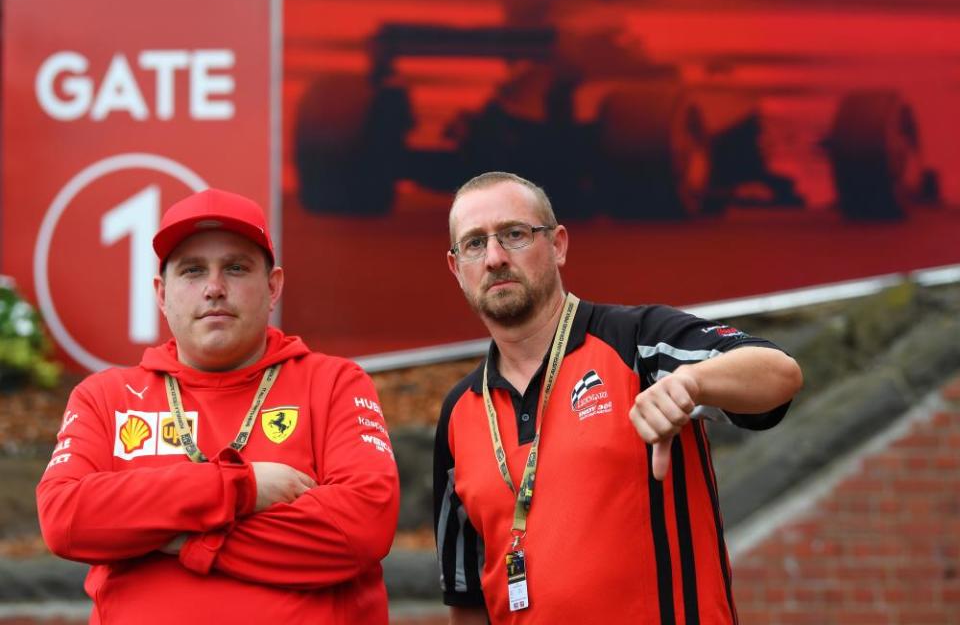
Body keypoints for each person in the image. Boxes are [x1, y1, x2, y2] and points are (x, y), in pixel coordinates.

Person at [433, 172, 803, 624]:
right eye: (474, 243)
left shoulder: (635, 341)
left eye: (514, 235)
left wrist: (693, 384)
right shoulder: (459, 412)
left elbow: (778, 372)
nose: (494, 258)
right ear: (456, 269)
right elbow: (468, 601)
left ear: (558, 245)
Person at [37, 188, 399, 624]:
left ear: (273, 286)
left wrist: (180, 539)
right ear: (161, 292)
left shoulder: (334, 383)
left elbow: (359, 531)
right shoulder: (105, 397)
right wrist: (238, 489)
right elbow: (66, 519)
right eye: (192, 270)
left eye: (235, 268)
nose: (214, 288)